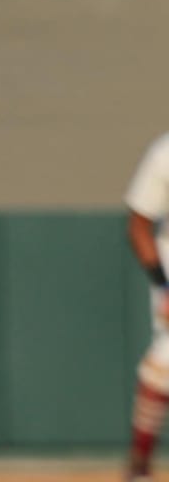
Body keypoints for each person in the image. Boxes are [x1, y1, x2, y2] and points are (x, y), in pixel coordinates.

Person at [124, 131, 169, 482]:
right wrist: (162, 286)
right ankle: (139, 465)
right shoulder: (165, 153)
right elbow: (139, 224)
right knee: (165, 363)